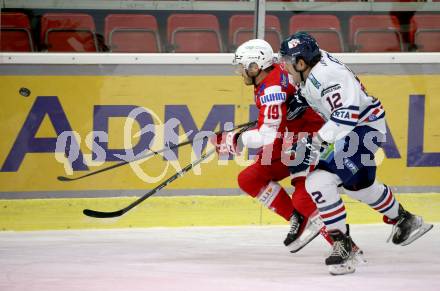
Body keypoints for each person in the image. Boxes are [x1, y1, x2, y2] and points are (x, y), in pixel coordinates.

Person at [279, 32, 433, 275]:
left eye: (287, 61)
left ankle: (343, 246)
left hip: (361, 129)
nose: (284, 66)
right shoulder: (314, 65)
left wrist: (316, 141)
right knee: (359, 185)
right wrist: (300, 98)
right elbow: (320, 95)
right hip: (358, 129)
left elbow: (345, 116)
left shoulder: (327, 76)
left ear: (301, 63)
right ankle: (406, 220)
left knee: (319, 182)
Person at [211, 39, 338, 252]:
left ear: (255, 66)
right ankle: (299, 219)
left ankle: (344, 246)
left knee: (304, 197)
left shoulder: (271, 90)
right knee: (249, 179)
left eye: (242, 67)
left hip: (311, 138)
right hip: (288, 138)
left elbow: (267, 135)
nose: (239, 72)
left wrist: (236, 140)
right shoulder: (275, 70)